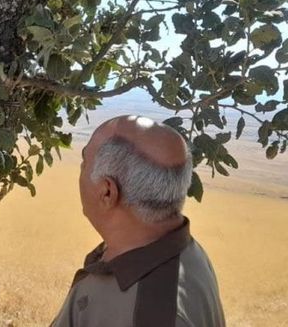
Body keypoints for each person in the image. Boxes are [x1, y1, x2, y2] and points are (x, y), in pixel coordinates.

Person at [51, 115, 225, 327]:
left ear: (107, 192)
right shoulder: (176, 249)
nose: (81, 170)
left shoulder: (154, 316)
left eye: (84, 162)